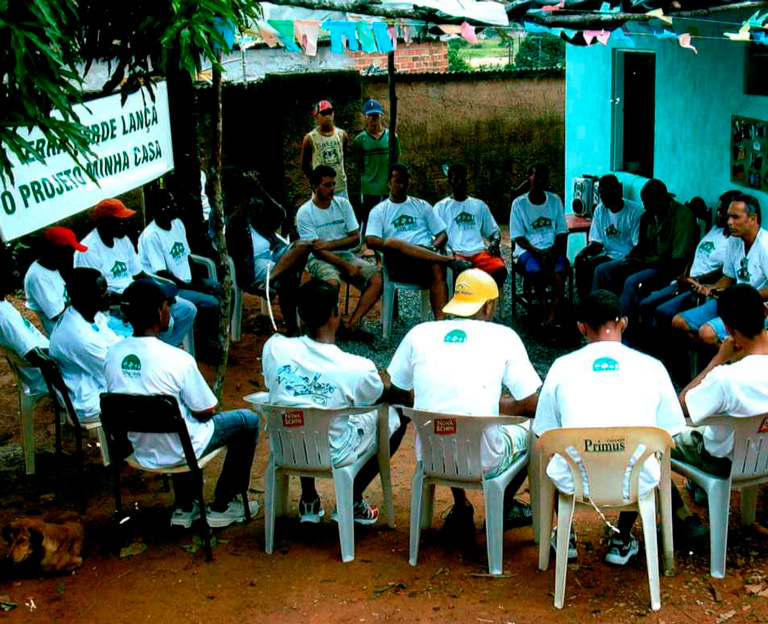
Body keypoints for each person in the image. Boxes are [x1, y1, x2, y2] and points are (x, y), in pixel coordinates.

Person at [533, 290, 686, 564]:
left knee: (552, 450)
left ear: (581, 328)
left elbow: (545, 431)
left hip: (576, 481)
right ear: (623, 323)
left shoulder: (561, 367)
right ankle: (622, 538)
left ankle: (565, 537)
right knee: (646, 450)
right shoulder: (653, 368)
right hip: (635, 481)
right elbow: (670, 432)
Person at [388, 269, 541, 534]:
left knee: (447, 421)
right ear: (489, 305)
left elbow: (399, 394)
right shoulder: (504, 337)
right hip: (485, 459)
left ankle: (461, 507)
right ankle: (502, 508)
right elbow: (530, 406)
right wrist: (498, 406)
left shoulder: (420, 333)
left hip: (434, 454)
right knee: (532, 433)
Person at [106, 278, 260, 528]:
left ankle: (185, 506)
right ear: (159, 312)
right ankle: (223, 505)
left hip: (137, 450)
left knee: (176, 418)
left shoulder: (112, 354)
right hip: (180, 449)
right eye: (167, 304)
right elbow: (206, 409)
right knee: (247, 421)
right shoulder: (178, 359)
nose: (170, 309)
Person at [262, 279, 408, 524]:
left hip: (286, 447)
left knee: (298, 409)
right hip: (334, 452)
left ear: (300, 315)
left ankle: (309, 498)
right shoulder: (356, 367)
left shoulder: (274, 347)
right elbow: (382, 397)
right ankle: (351, 498)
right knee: (397, 414)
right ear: (336, 313)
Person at [673, 284, 768, 533]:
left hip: (722, 462)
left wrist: (717, 360)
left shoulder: (726, 377)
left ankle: (682, 518)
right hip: (763, 457)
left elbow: (683, 405)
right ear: (765, 315)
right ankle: (747, 519)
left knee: (657, 441)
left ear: (727, 330)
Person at [75, 198, 197, 348]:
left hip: (136, 292)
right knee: (165, 320)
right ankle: (156, 353)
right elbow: (98, 295)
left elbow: (140, 274)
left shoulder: (123, 240)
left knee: (188, 310)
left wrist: (158, 292)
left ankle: (166, 349)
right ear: (105, 222)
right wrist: (142, 301)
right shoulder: (89, 250)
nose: (126, 225)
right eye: (121, 220)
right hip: (118, 304)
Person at [365, 163, 471, 321]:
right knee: (403, 248)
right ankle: (450, 261)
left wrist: (432, 248)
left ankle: (440, 323)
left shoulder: (422, 205)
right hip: (399, 264)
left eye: (405, 182)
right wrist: (393, 245)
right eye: (397, 182)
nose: (402, 186)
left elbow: (442, 234)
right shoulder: (380, 210)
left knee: (436, 268)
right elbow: (370, 240)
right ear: (388, 182)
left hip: (427, 261)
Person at [592, 179, 699, 325]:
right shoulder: (650, 214)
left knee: (632, 282)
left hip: (666, 269)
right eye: (643, 202)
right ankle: (595, 321)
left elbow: (677, 262)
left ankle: (623, 331)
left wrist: (639, 264)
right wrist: (629, 259)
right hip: (647, 261)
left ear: (661, 199)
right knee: (602, 270)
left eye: (647, 202)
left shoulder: (682, 217)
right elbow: (641, 246)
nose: (644, 206)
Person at [636, 190, 735, 344]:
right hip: (686, 280)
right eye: (719, 209)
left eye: (723, 211)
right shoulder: (715, 229)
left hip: (700, 286)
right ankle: (649, 344)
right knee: (645, 304)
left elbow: (723, 272)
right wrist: (685, 274)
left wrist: (694, 280)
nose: (719, 213)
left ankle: (662, 353)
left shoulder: (733, 241)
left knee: (663, 312)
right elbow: (696, 253)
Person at [671, 194, 768, 348]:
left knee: (706, 333)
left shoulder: (765, 246)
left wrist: (744, 297)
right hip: (734, 301)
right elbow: (728, 277)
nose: (729, 222)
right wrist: (709, 289)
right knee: (679, 322)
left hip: (757, 307)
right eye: (729, 216)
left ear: (752, 219)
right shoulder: (735, 241)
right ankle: (729, 358)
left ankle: (736, 360)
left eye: (735, 217)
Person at [297, 165, 383, 337]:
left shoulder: (342, 204)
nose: (332, 189)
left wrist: (330, 245)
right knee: (331, 283)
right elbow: (317, 251)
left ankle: (352, 324)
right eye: (327, 185)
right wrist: (346, 265)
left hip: (343, 254)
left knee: (377, 278)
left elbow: (356, 238)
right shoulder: (305, 213)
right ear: (314, 186)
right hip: (318, 259)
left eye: (333, 184)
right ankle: (331, 327)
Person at [226, 170, 312, 336]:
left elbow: (280, 215)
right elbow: (233, 225)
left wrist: (260, 191)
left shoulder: (255, 204)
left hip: (273, 255)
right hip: (251, 265)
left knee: (304, 245)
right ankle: (292, 329)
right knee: (289, 277)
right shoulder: (227, 209)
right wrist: (246, 196)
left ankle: (270, 279)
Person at [138, 189, 221, 331]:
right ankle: (206, 343)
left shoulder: (177, 224)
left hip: (189, 283)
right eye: (170, 203)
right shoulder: (151, 236)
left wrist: (199, 282)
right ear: (160, 209)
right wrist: (197, 289)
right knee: (212, 302)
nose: (175, 205)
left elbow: (188, 257)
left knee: (221, 289)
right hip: (172, 289)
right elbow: (163, 274)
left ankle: (215, 334)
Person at [49, 268, 122, 423]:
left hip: (94, 382)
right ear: (85, 296)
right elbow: (116, 374)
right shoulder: (80, 337)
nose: (108, 294)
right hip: (89, 401)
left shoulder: (88, 314)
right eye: (102, 291)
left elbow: (114, 342)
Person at [509, 163, 569, 327]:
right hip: (528, 250)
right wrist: (536, 251)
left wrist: (553, 250)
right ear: (529, 178)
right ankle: (543, 309)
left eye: (544, 177)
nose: (541, 180)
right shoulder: (519, 204)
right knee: (536, 271)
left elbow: (561, 231)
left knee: (560, 270)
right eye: (537, 176)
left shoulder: (555, 201)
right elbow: (518, 237)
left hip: (551, 249)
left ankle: (552, 314)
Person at [434, 164, 507, 289]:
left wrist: (495, 242)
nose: (460, 183)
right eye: (456, 179)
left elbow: (494, 231)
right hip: (456, 254)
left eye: (463, 179)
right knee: (463, 278)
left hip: (479, 253)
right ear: (449, 182)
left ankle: (486, 304)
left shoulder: (479, 205)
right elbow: (435, 236)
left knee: (500, 270)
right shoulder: (441, 207)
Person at [574, 174, 643, 299]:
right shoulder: (600, 210)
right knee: (582, 264)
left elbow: (638, 247)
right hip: (608, 255)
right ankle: (585, 302)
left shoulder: (634, 212)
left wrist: (622, 263)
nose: (602, 196)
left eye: (606, 192)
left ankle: (597, 305)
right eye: (600, 192)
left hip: (626, 258)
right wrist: (583, 253)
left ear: (617, 191)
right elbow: (597, 242)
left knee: (601, 270)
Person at [0, 264, 54, 395]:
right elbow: (36, 357)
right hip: (45, 378)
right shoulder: (4, 317)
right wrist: (64, 353)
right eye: (11, 271)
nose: (17, 274)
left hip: (49, 359)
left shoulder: (3, 304)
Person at [350, 99, 400, 234]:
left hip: (387, 185)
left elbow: (396, 159)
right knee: (368, 216)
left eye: (376, 116)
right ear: (365, 117)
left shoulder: (391, 137)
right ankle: (366, 243)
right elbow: (359, 163)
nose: (373, 120)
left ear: (381, 116)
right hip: (369, 187)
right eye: (370, 116)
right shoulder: (360, 140)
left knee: (389, 216)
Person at [24, 227, 85, 335]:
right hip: (65, 333)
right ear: (56, 250)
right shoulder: (38, 277)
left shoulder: (52, 266)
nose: (71, 256)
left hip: (75, 324)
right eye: (69, 251)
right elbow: (57, 314)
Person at [301, 100, 349, 199]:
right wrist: (316, 182)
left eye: (329, 112)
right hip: (320, 189)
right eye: (323, 113)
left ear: (333, 114)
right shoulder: (310, 138)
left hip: (340, 187)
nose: (327, 116)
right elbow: (305, 166)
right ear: (316, 116)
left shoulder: (342, 135)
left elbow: (343, 159)